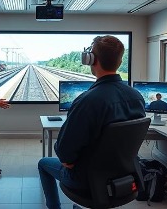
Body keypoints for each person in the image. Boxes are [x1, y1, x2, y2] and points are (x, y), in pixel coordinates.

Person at [37, 36, 146, 209]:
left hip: (87, 182)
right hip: (124, 178)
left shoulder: (87, 101)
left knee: (43, 163)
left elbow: (65, 156)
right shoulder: (136, 97)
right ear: (119, 61)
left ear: (91, 60)